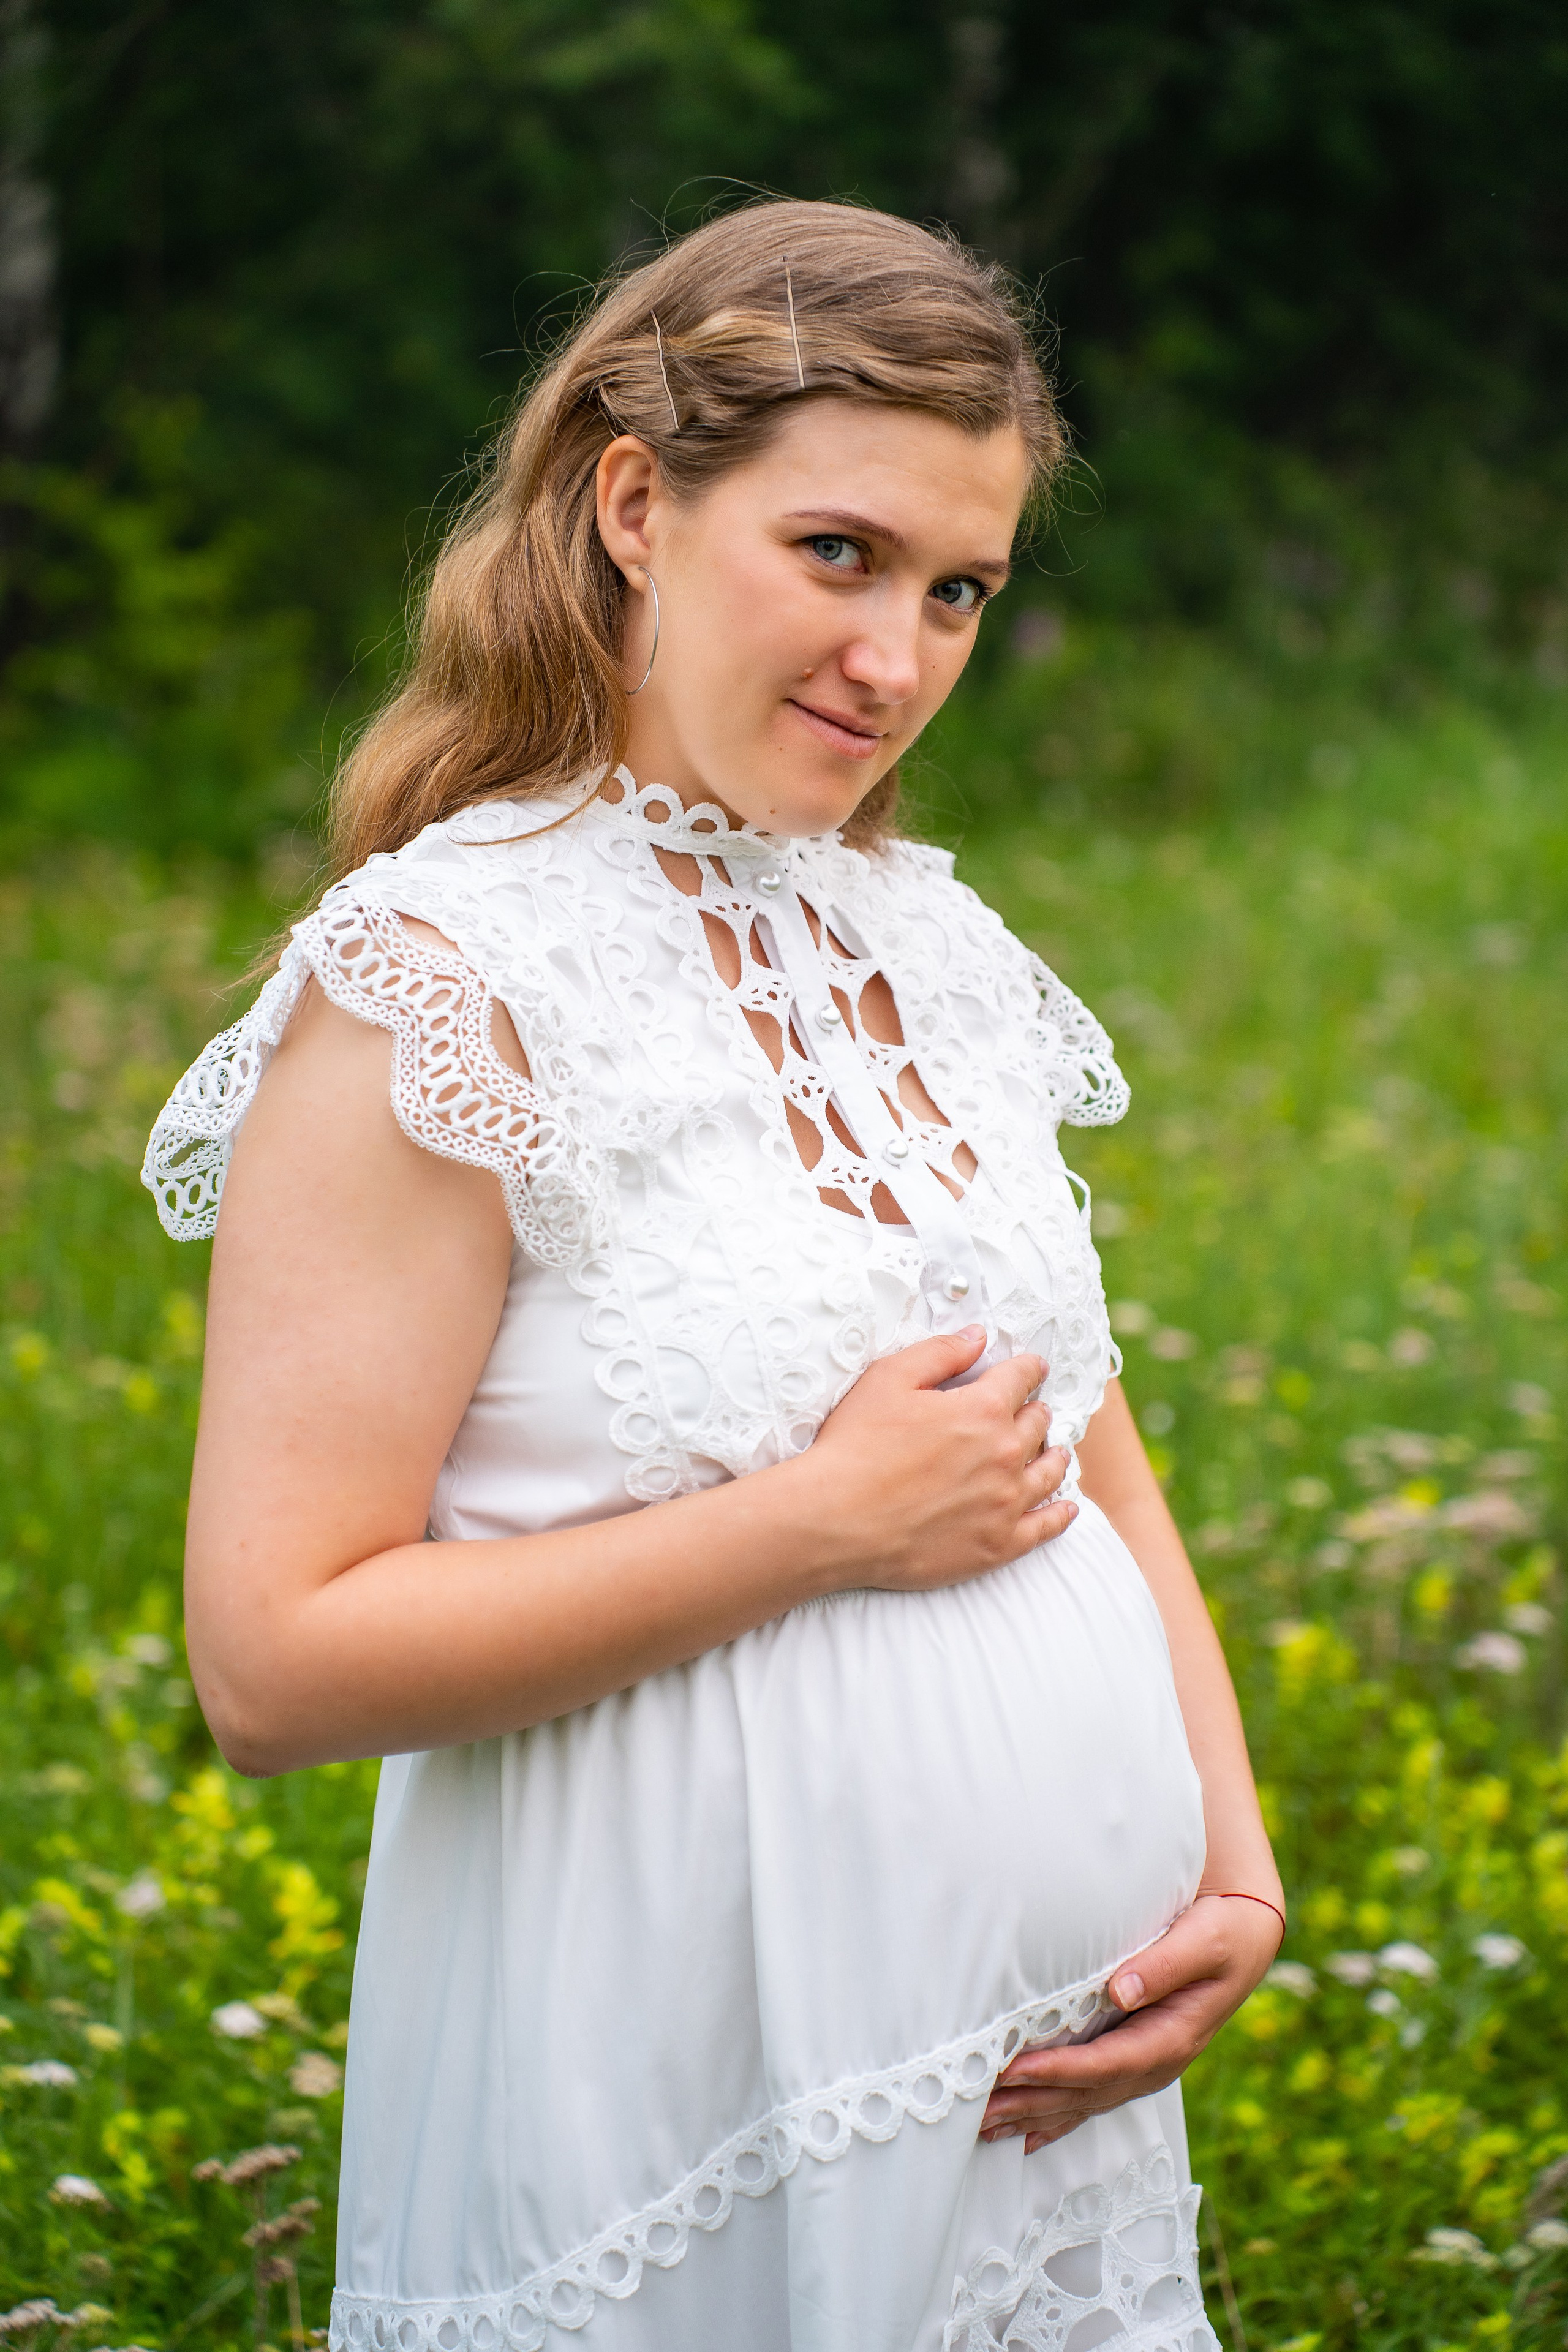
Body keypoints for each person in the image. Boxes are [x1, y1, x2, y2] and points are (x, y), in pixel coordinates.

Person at [144, 197, 1284, 2352]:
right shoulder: (441, 982)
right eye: (840, 555)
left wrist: (1228, 1860)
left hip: (1041, 2103)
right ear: (639, 505)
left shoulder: (933, 944)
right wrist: (813, 1529)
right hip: (671, 2089)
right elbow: (276, 1662)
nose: (901, 657)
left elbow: (1078, 1449)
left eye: (961, 592)